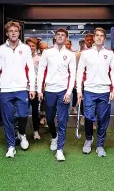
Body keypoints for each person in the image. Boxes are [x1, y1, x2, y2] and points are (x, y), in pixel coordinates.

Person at [0, 21, 36, 158]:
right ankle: (11, 146)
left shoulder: (26, 49)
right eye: (11, 31)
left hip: (22, 88)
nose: (14, 33)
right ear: (7, 33)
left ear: (19, 32)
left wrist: (32, 87)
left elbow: (31, 70)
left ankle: (21, 133)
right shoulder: (0, 49)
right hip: (5, 90)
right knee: (7, 119)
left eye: (16, 31)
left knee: (23, 114)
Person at [76, 27, 114, 157]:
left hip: (104, 91)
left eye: (101, 36)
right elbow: (79, 72)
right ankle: (88, 139)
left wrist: (113, 89)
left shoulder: (110, 53)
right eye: (97, 35)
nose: (99, 38)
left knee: (103, 120)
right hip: (89, 90)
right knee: (88, 117)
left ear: (104, 38)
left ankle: (100, 145)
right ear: (93, 38)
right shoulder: (86, 53)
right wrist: (79, 90)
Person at [37, 28, 76, 161]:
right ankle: (54, 137)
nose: (60, 37)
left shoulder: (70, 54)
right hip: (49, 91)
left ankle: (60, 150)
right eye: (58, 35)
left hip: (63, 91)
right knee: (49, 119)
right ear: (55, 38)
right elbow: (41, 72)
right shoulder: (47, 53)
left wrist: (69, 92)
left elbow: (73, 75)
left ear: (66, 39)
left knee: (62, 120)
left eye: (63, 35)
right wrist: (39, 90)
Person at [26, 37, 41, 140]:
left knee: (35, 111)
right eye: (29, 46)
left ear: (36, 47)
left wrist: (40, 89)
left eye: (33, 46)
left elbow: (41, 75)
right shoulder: (21, 57)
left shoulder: (39, 59)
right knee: (22, 112)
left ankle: (36, 131)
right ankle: (20, 132)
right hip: (23, 88)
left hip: (35, 89)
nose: (31, 47)